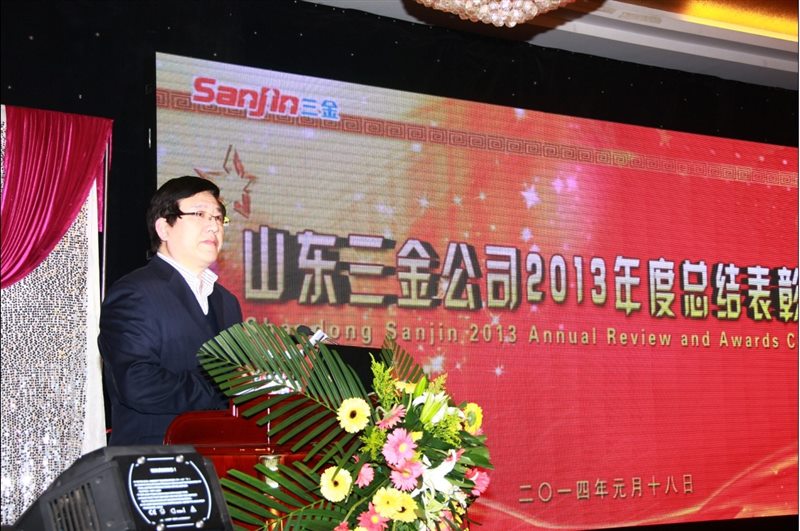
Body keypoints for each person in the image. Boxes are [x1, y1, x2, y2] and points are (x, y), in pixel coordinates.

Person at [99, 176, 242, 445]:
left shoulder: (227, 302)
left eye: (218, 217)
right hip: (156, 457)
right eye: (200, 214)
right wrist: (224, 387)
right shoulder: (135, 292)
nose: (214, 225)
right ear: (164, 228)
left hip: (223, 458)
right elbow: (138, 384)